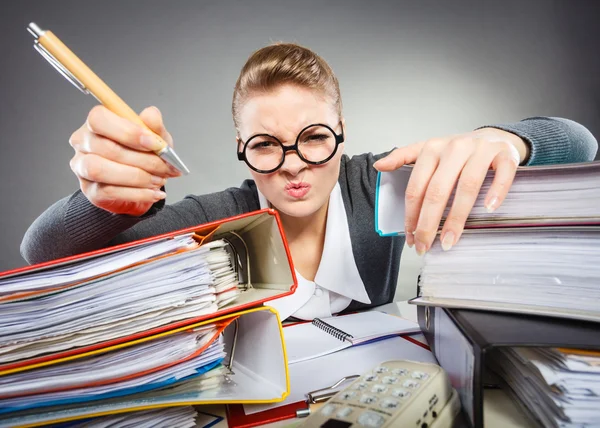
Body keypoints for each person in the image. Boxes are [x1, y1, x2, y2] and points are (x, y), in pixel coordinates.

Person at [21, 43, 598, 320]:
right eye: (267, 145)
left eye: (314, 138)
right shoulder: (218, 219)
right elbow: (41, 250)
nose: (293, 164)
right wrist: (102, 200)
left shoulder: (383, 186)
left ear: (341, 134)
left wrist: (504, 141)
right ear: (243, 153)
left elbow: (577, 142)